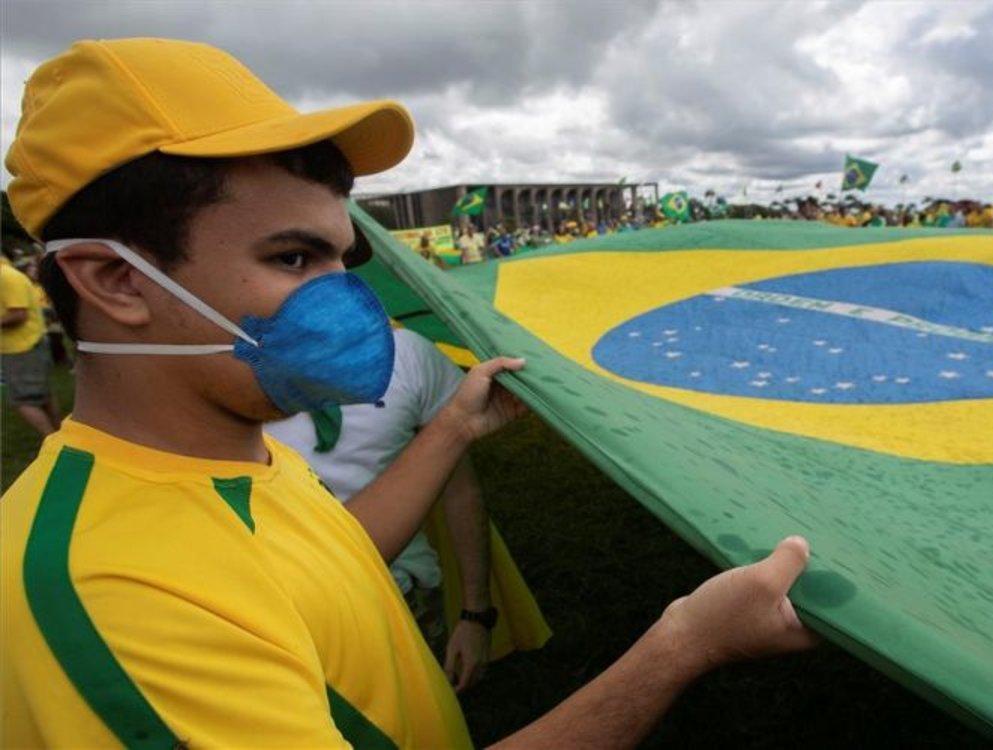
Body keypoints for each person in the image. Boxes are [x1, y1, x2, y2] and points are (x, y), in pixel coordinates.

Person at [1, 38, 818, 748]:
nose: (351, 300)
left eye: (340, 260)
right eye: (293, 259)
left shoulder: (224, 455)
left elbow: (326, 566)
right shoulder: (107, 591)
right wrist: (682, 645)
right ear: (115, 281)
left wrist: (453, 429)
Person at [266, 327, 549, 692]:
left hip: (403, 598)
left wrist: (476, 615)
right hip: (281, 616)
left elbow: (460, 491)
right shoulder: (222, 371)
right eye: (289, 264)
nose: (323, 275)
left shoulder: (407, 354)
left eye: (337, 264)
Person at [1, 246, 61, 436]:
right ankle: (59, 435)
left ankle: (51, 440)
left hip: (22, 347)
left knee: (23, 401)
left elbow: (18, 314)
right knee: (41, 395)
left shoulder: (6, 277)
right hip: (26, 345)